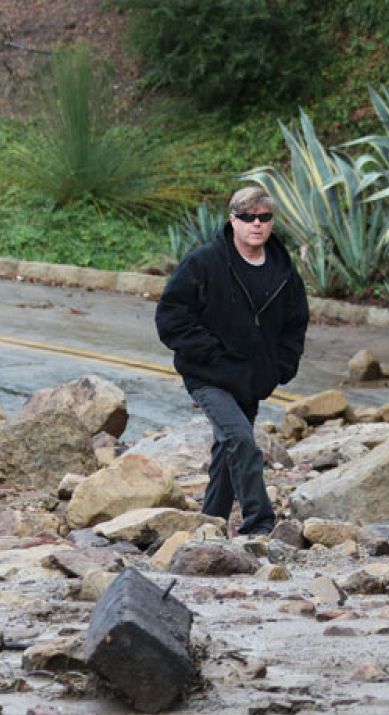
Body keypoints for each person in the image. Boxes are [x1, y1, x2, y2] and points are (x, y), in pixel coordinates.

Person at [155, 185, 309, 536]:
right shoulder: (204, 262)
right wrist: (211, 354)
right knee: (241, 441)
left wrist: (280, 366)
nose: (256, 223)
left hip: (252, 379)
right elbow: (171, 317)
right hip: (207, 375)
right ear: (232, 220)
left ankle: (210, 524)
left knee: (227, 457)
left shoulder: (284, 272)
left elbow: (296, 324)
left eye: (264, 217)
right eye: (247, 217)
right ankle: (259, 523)